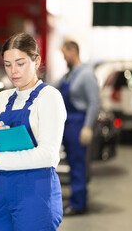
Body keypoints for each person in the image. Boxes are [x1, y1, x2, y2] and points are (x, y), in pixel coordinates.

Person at [0, 32, 66, 230]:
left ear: (36, 61)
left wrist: (0, 155)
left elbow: (48, 156)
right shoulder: (2, 99)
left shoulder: (49, 97)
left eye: (20, 63)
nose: (13, 71)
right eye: (7, 64)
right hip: (2, 189)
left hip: (36, 193)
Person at [57, 40, 100, 216]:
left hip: (78, 123)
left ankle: (78, 203)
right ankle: (76, 199)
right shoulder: (70, 74)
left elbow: (94, 102)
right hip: (68, 123)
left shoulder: (86, 74)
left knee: (78, 165)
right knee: (72, 163)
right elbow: (54, 86)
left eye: (65, 53)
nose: (64, 57)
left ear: (73, 51)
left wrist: (88, 127)